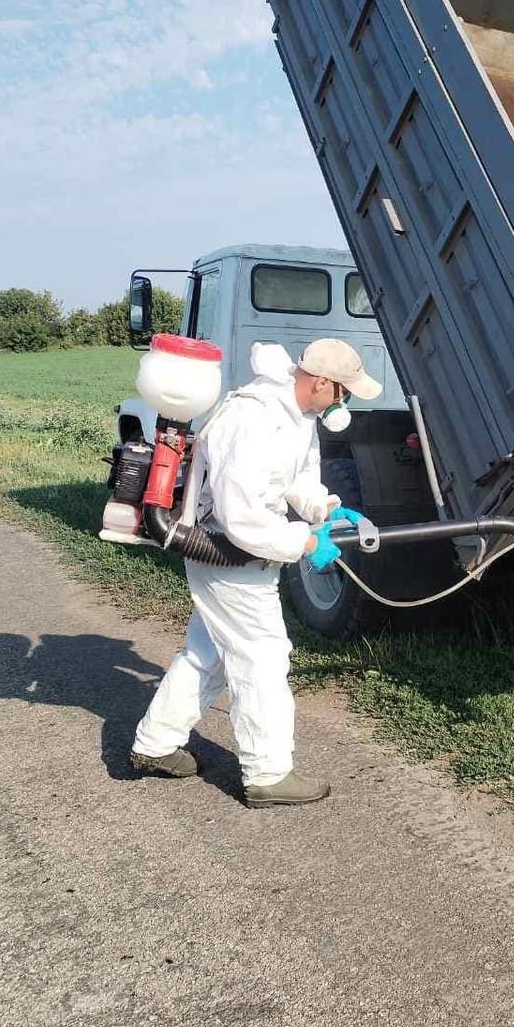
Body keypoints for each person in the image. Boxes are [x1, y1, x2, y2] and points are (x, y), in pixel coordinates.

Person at [129, 338, 381, 807]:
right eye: (344, 393)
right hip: (225, 552)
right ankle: (267, 774)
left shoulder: (295, 416)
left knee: (208, 653)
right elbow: (240, 516)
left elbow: (297, 478)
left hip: (247, 554)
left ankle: (155, 744)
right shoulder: (256, 419)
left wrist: (327, 510)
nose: (343, 403)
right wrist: (303, 542)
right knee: (262, 656)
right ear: (322, 383)